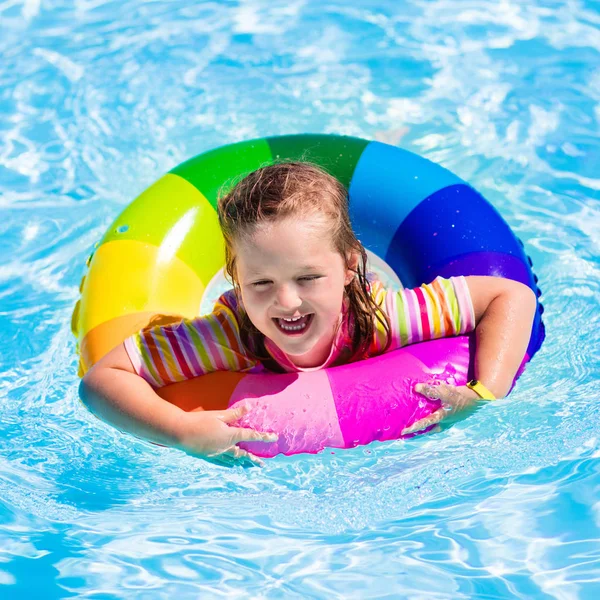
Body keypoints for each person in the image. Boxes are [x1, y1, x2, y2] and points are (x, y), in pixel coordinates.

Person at [80, 162, 537, 466]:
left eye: (308, 278)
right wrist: (180, 429)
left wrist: (484, 392)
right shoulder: (226, 337)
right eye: (260, 283)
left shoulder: (381, 317)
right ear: (235, 278)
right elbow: (101, 381)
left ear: (350, 266)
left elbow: (511, 297)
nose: (287, 302)